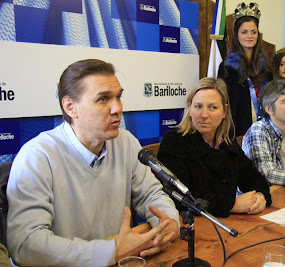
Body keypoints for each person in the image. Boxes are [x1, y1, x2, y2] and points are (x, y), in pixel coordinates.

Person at [6, 59, 180, 266]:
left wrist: (169, 222)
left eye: (118, 97)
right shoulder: (37, 156)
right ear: (70, 107)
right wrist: (110, 252)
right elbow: (25, 245)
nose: (117, 108)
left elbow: (151, 195)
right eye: (103, 99)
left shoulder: (126, 142)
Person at [157, 77, 271, 218]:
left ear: (225, 111)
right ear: (189, 107)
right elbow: (180, 198)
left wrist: (260, 196)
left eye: (213, 107)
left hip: (228, 224)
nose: (204, 115)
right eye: (198, 106)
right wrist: (231, 205)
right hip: (190, 225)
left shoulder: (227, 142)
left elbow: (253, 178)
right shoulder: (174, 141)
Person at [218, 2, 268, 136]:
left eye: (253, 32)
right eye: (244, 32)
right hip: (238, 133)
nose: (249, 36)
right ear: (237, 34)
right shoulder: (227, 68)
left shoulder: (265, 69)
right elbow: (226, 108)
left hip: (264, 132)